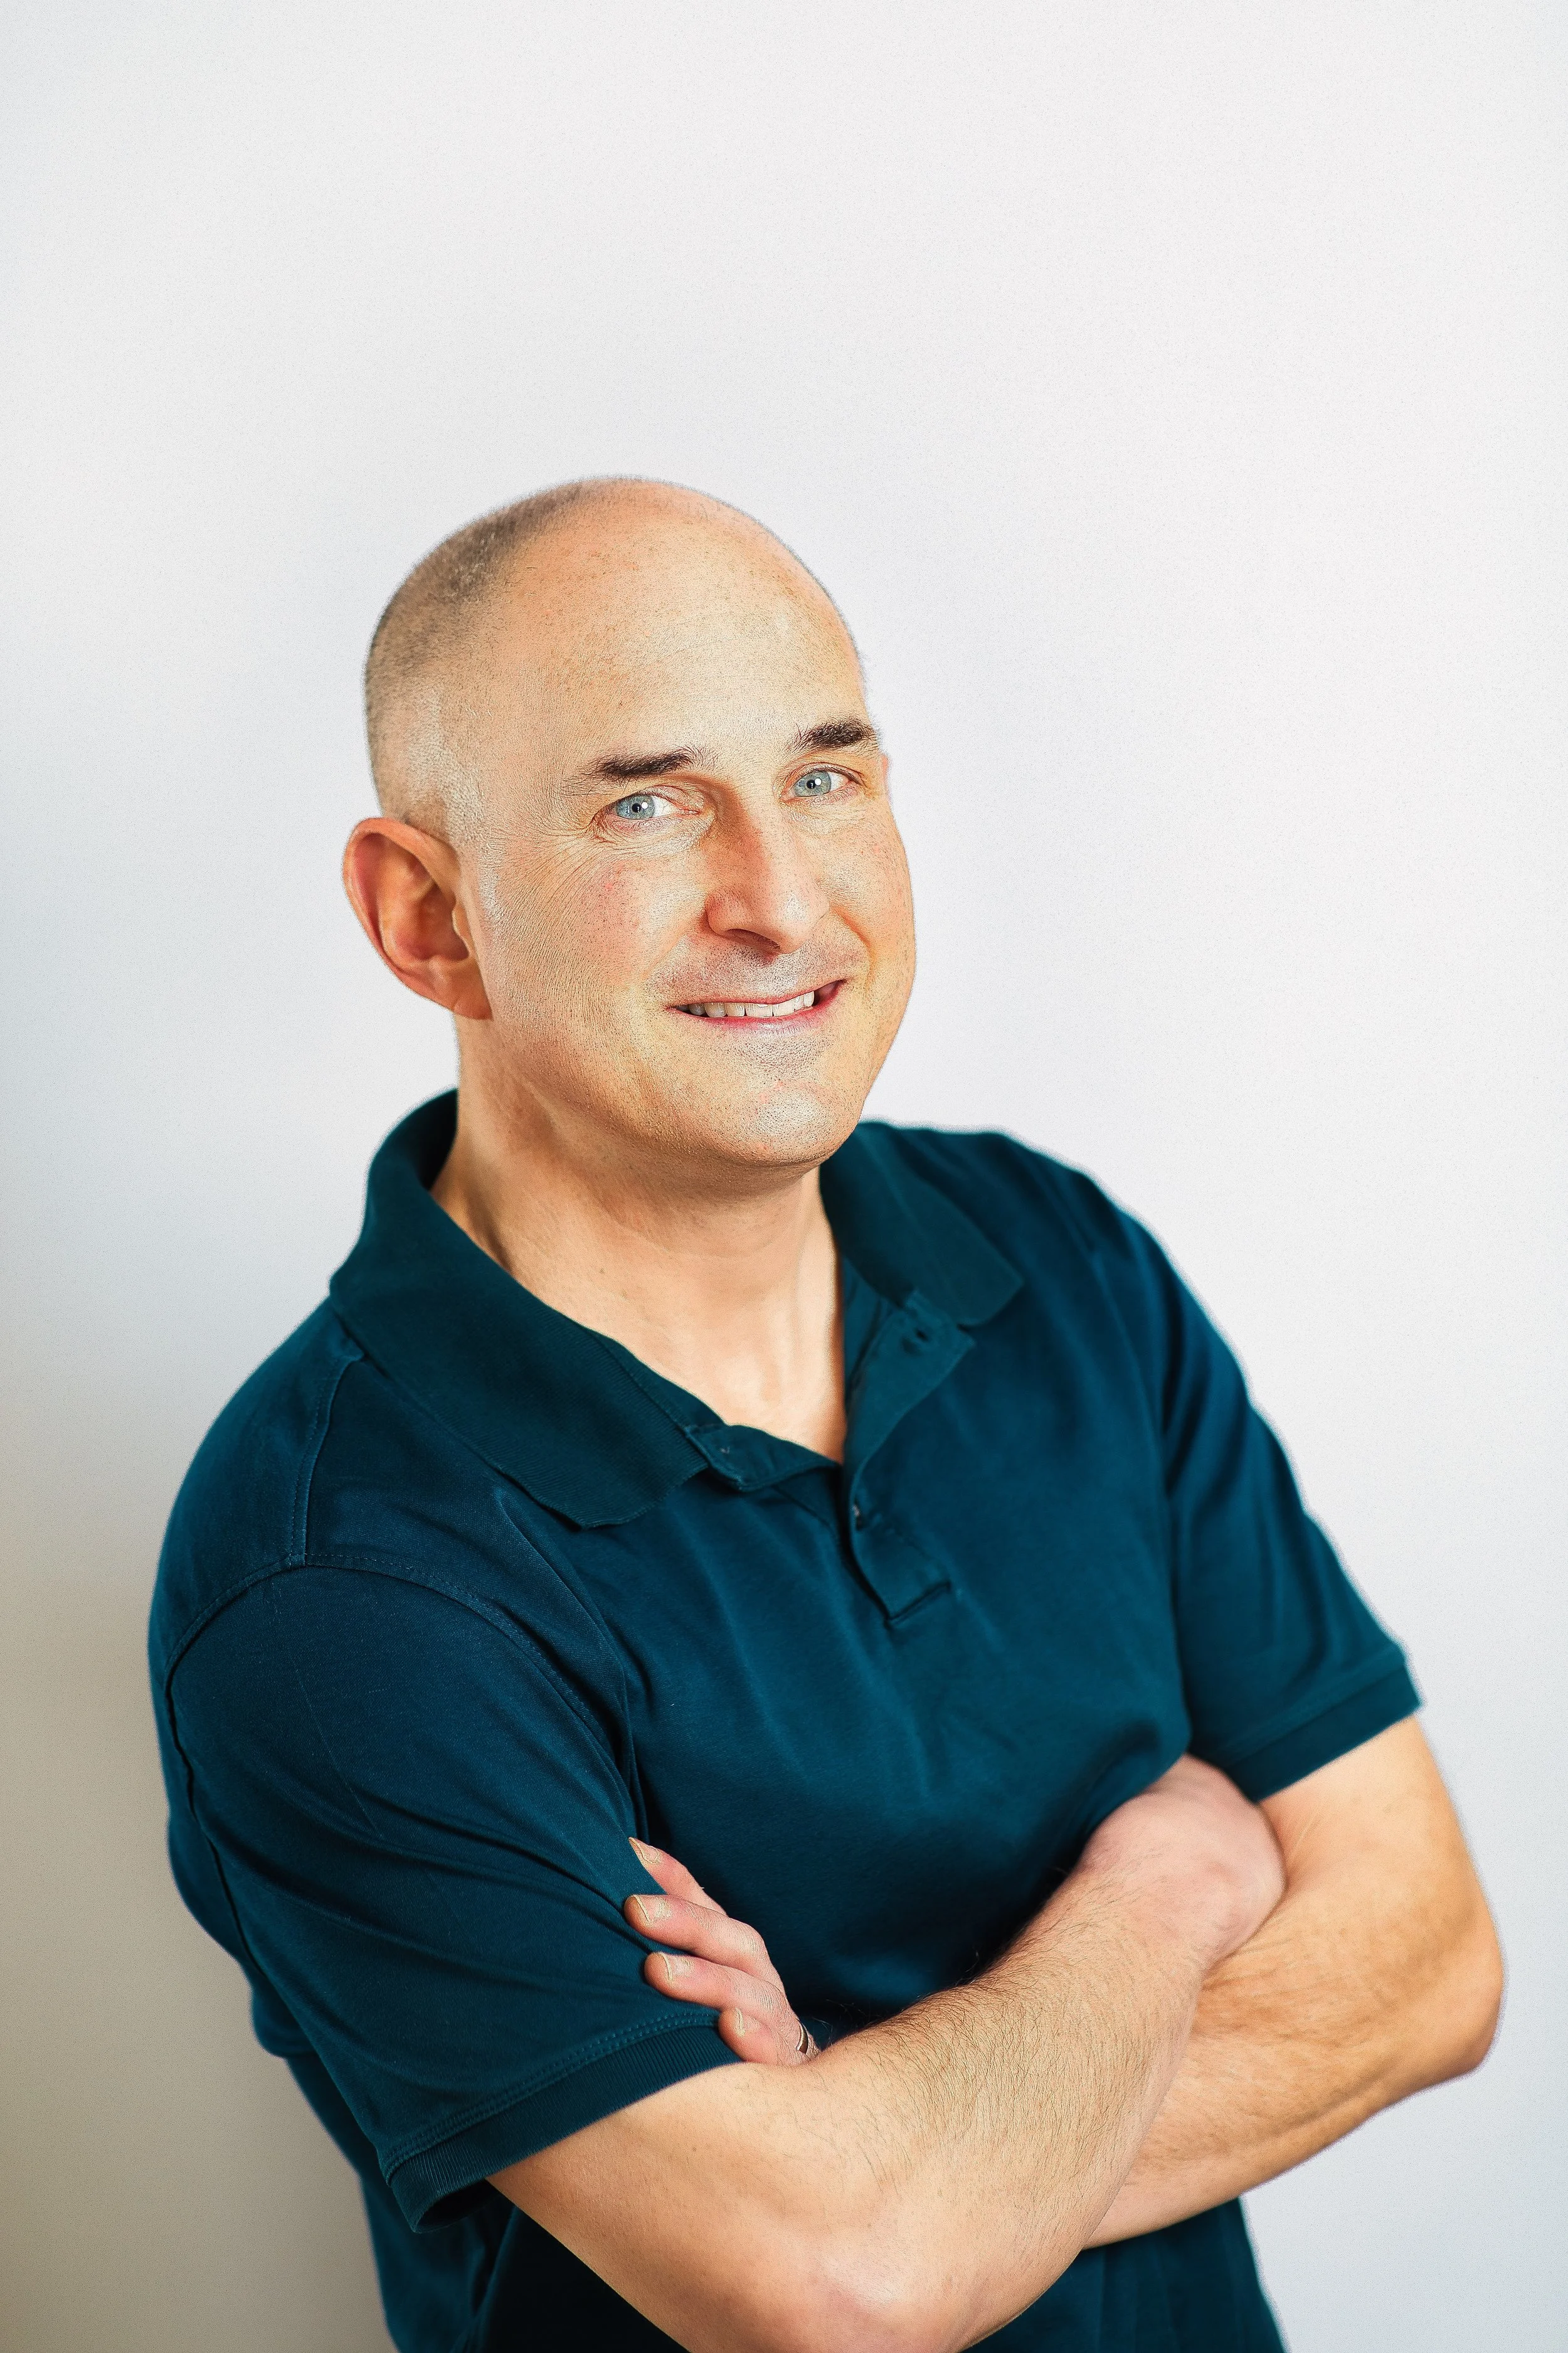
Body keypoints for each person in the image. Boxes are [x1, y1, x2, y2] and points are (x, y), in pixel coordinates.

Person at [150, 478, 1502, 2353]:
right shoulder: (337, 1574)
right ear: (430, 916)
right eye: (643, 799)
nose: (779, 899)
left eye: (823, 775)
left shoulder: (1054, 1257)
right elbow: (838, 2290)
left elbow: (1428, 1962)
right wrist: (1171, 1872)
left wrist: (881, 2152)